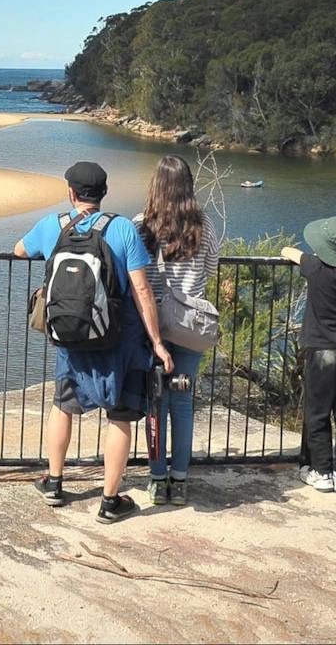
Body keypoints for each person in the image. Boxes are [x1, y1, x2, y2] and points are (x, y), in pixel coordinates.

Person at [15, 160, 174, 523]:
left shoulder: (53, 225)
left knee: (63, 406)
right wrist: (158, 342)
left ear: (71, 193)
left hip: (71, 338)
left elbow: (19, 250)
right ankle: (109, 501)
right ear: (104, 193)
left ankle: (54, 483)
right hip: (118, 339)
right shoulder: (122, 228)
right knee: (120, 416)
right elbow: (141, 289)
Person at [136, 155, 219, 507]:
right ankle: (180, 480)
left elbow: (135, 275)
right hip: (190, 326)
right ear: (188, 185)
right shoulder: (203, 225)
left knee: (155, 403)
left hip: (152, 325)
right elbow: (211, 269)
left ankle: (158, 479)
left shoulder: (142, 224)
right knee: (183, 403)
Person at [281, 216, 336, 496]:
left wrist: (303, 253)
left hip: (321, 350)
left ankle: (322, 471)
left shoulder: (314, 267)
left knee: (317, 412)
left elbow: (288, 251)